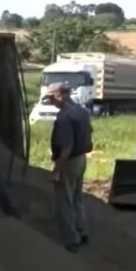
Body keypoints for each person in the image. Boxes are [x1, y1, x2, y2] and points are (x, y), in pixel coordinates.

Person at [45, 82, 94, 252]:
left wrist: (57, 170)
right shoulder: (81, 111)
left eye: (50, 98)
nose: (50, 102)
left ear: (59, 95)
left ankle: (71, 240)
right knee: (77, 197)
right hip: (81, 159)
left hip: (69, 161)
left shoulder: (64, 117)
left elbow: (66, 148)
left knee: (64, 201)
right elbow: (90, 132)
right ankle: (82, 231)